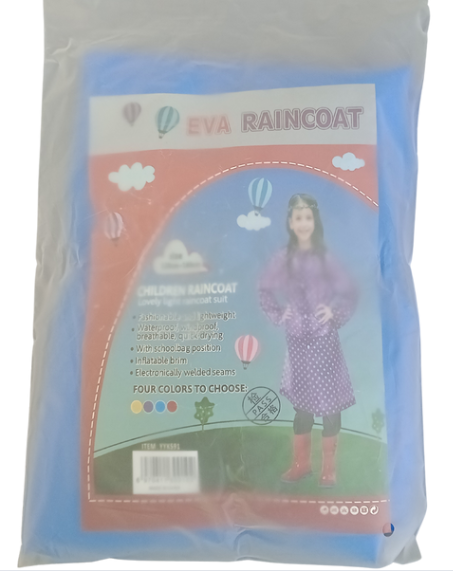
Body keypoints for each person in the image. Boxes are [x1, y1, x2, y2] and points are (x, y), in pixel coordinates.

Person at [258, 193, 357, 487]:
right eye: (298, 218)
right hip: (298, 340)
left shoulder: (326, 258)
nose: (303, 223)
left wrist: (334, 312)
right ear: (290, 222)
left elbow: (349, 292)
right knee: (302, 406)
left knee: (330, 406)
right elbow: (264, 289)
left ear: (315, 221)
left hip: (324, 341)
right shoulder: (282, 258)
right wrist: (279, 313)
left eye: (308, 217)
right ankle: (301, 465)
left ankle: (329, 469)